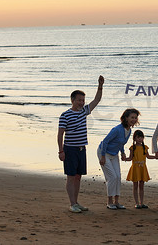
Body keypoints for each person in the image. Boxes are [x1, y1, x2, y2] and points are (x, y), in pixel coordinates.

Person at [57, 75, 104, 213]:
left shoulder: (84, 111)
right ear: (72, 100)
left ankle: (76, 202)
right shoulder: (65, 115)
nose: (81, 102)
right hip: (70, 149)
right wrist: (61, 151)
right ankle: (72, 203)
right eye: (79, 100)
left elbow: (97, 100)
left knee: (78, 176)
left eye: (83, 100)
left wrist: (100, 85)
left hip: (82, 149)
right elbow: (60, 134)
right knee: (71, 177)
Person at [98, 108, 140, 210]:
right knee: (112, 177)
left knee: (118, 176)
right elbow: (105, 141)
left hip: (114, 154)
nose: (134, 119)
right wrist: (103, 156)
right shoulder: (117, 129)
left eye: (135, 118)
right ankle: (109, 202)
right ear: (126, 118)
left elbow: (120, 143)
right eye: (132, 117)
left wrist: (123, 153)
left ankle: (116, 201)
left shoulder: (129, 131)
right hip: (104, 153)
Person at [126, 130, 157, 209]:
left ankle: (142, 202)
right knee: (135, 186)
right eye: (138, 137)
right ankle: (137, 203)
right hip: (135, 168)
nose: (140, 139)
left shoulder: (145, 147)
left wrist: (156, 157)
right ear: (135, 138)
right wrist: (124, 158)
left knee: (142, 186)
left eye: (141, 137)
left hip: (143, 168)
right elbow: (130, 158)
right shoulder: (132, 148)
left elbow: (148, 156)